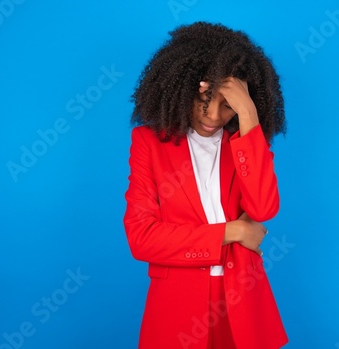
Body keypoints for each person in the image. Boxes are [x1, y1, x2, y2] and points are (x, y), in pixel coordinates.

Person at [124, 21, 288, 349]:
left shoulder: (243, 144)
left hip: (242, 302)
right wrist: (233, 231)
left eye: (227, 105)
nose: (213, 115)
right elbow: (142, 239)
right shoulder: (148, 143)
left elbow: (263, 208)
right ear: (184, 88)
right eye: (205, 99)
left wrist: (249, 115)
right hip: (177, 305)